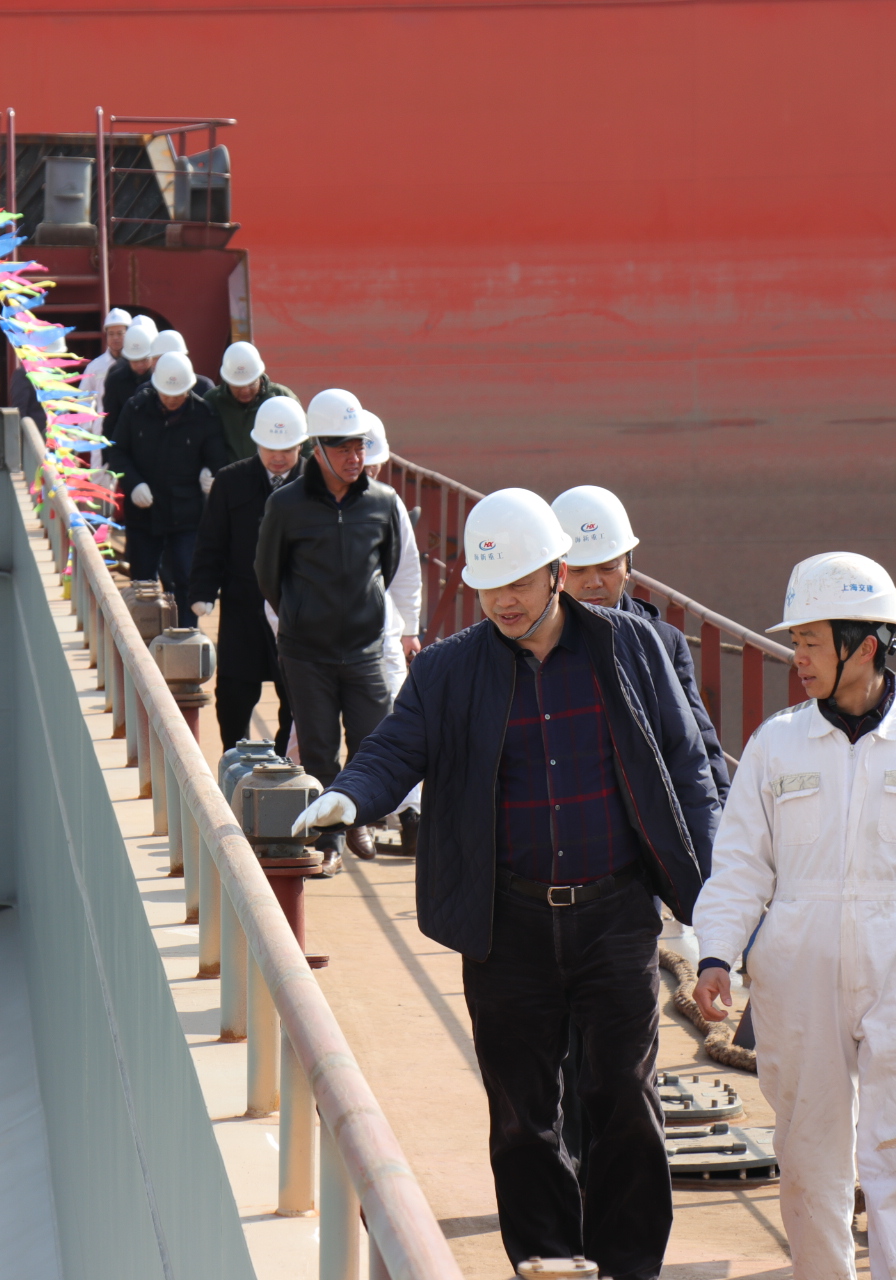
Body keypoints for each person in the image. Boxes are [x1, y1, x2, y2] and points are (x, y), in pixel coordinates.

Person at [291, 486, 722, 1278]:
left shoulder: (632, 648)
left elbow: (688, 770)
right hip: (507, 927)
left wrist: (714, 906)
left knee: (623, 1099)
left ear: (557, 572)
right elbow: (396, 747)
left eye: (519, 583)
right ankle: (547, 1262)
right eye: (489, 587)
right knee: (523, 1115)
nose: (503, 602)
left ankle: (628, 1266)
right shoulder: (449, 671)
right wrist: (348, 795)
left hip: (615, 916)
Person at [691, 552, 896, 1280]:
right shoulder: (777, 745)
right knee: (809, 1156)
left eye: (811, 642)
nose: (798, 658)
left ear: (864, 646)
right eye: (796, 641)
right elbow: (740, 863)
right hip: (797, 968)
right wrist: (715, 953)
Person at [254, 389, 407, 865]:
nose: (355, 457)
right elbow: (268, 574)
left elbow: (388, 566)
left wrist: (364, 612)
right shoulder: (285, 505)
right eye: (343, 448)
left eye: (359, 446)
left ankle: (357, 818)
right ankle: (330, 839)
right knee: (319, 748)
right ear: (317, 449)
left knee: (372, 739)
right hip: (307, 653)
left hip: (365, 649)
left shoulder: (382, 503)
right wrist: (302, 615)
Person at [552, 485, 729, 800]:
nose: (594, 582)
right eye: (578, 570)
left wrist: (722, 816)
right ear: (556, 573)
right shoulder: (534, 643)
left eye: (608, 567)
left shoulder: (663, 642)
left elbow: (698, 743)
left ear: (628, 566)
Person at [187, 397, 306, 757]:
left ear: (302, 445)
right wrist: (202, 590)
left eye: (287, 449)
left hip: (298, 613)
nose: (279, 458)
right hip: (243, 607)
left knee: (298, 699)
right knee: (234, 698)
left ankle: (285, 767)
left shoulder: (317, 485)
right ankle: (235, 765)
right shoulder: (230, 482)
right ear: (257, 443)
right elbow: (211, 542)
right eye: (271, 448)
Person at [106, 351, 229, 592]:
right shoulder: (135, 410)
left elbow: (218, 458)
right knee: (143, 584)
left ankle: (185, 618)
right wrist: (134, 483)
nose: (172, 400)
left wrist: (210, 473)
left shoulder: (204, 416)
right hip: (144, 513)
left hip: (186, 514)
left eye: (178, 394)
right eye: (166, 394)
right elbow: (117, 452)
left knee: (186, 579)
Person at [360, 411, 423, 856]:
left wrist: (410, 629)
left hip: (383, 636)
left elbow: (406, 571)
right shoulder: (305, 502)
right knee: (313, 732)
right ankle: (319, 820)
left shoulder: (389, 504)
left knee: (402, 721)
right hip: (322, 641)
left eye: (373, 464)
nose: (368, 471)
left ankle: (411, 816)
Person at [205, 341, 296, 462]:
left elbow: (304, 444)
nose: (245, 391)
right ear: (227, 381)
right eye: (238, 386)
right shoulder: (212, 401)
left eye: (252, 384)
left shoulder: (282, 398)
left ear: (260, 377)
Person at [78, 306, 133, 400]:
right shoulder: (94, 367)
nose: (115, 338)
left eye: (120, 333)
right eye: (111, 334)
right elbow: (83, 400)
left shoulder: (136, 364)